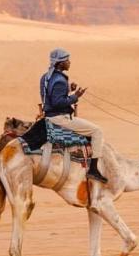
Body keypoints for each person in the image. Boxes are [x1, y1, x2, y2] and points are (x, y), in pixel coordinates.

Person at [40, 48, 108, 184]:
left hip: (50, 116)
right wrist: (75, 97)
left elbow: (50, 95)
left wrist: (68, 89)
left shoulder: (46, 77)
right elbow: (57, 102)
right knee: (97, 131)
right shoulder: (59, 80)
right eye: (67, 60)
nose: (69, 62)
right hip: (59, 118)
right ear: (60, 64)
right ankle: (93, 170)